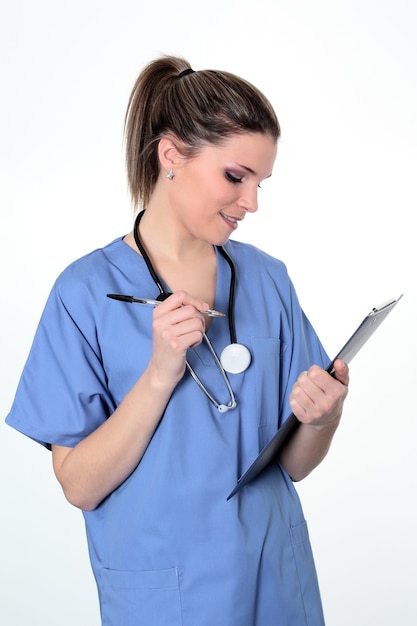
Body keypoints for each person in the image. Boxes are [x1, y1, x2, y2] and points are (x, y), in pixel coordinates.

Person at [6, 55, 349, 626]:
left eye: (260, 183)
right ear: (171, 156)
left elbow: (294, 465)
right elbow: (79, 486)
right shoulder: (86, 293)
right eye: (236, 177)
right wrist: (161, 372)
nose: (252, 203)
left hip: (277, 582)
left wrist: (321, 419)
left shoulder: (267, 278)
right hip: (165, 592)